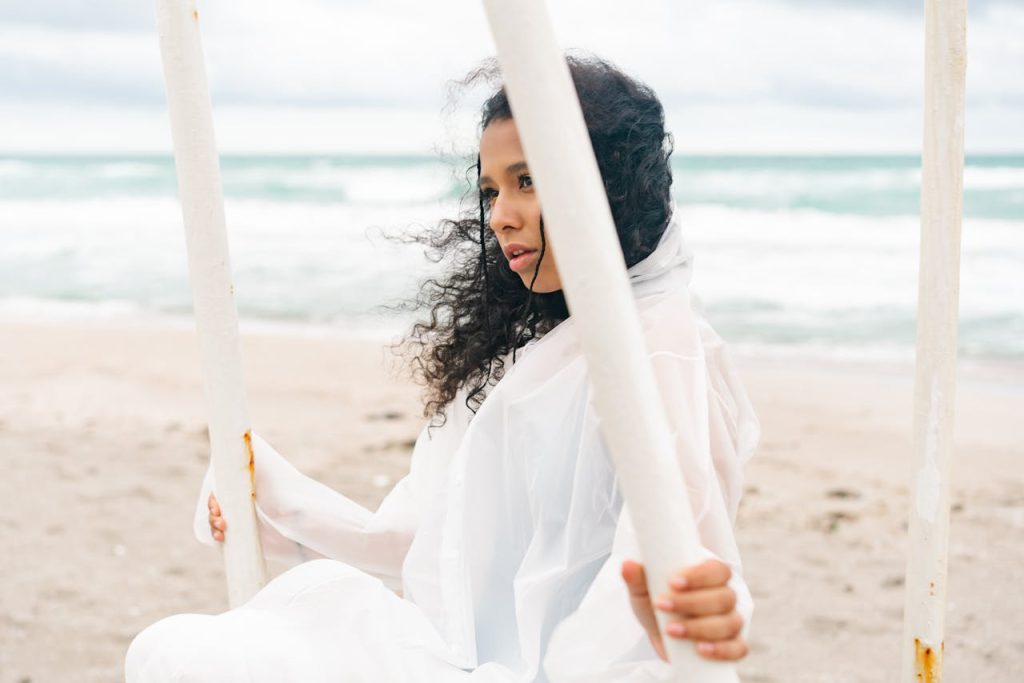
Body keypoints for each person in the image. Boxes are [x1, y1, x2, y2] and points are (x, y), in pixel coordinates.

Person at [125, 55, 759, 682]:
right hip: (462, 656)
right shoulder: (544, 350)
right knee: (177, 651)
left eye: (528, 181)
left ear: (611, 184)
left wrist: (696, 617)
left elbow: (689, 568)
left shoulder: (664, 353)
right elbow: (426, 547)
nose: (500, 215)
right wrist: (265, 495)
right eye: (491, 189)